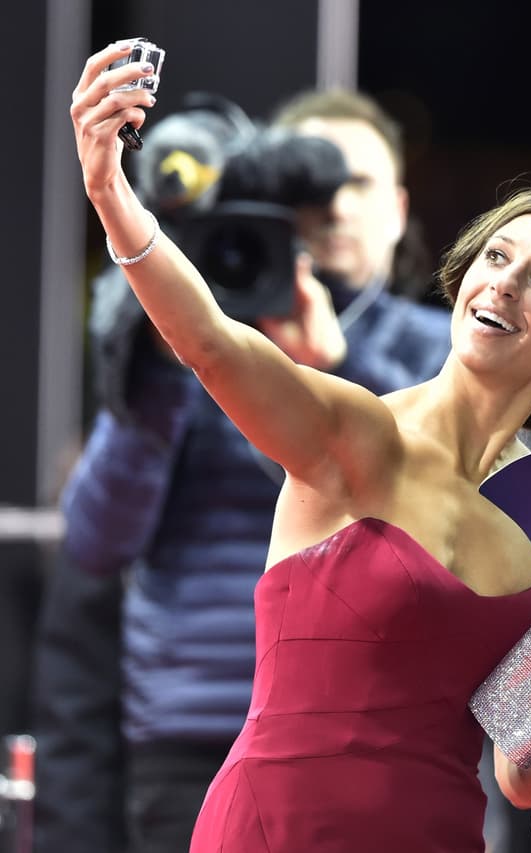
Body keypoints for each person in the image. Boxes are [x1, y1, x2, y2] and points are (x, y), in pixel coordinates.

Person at [71, 42, 531, 850]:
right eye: (496, 256)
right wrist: (108, 189)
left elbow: (521, 763)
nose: (505, 282)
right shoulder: (358, 430)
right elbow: (211, 343)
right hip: (276, 829)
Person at [56, 81, 462, 851]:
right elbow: (96, 539)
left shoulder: (434, 353)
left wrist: (339, 376)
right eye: (311, 188)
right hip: (193, 730)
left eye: (357, 185)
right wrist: (175, 355)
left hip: (375, 736)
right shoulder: (192, 331)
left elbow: (458, 525)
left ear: (400, 209)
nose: (334, 209)